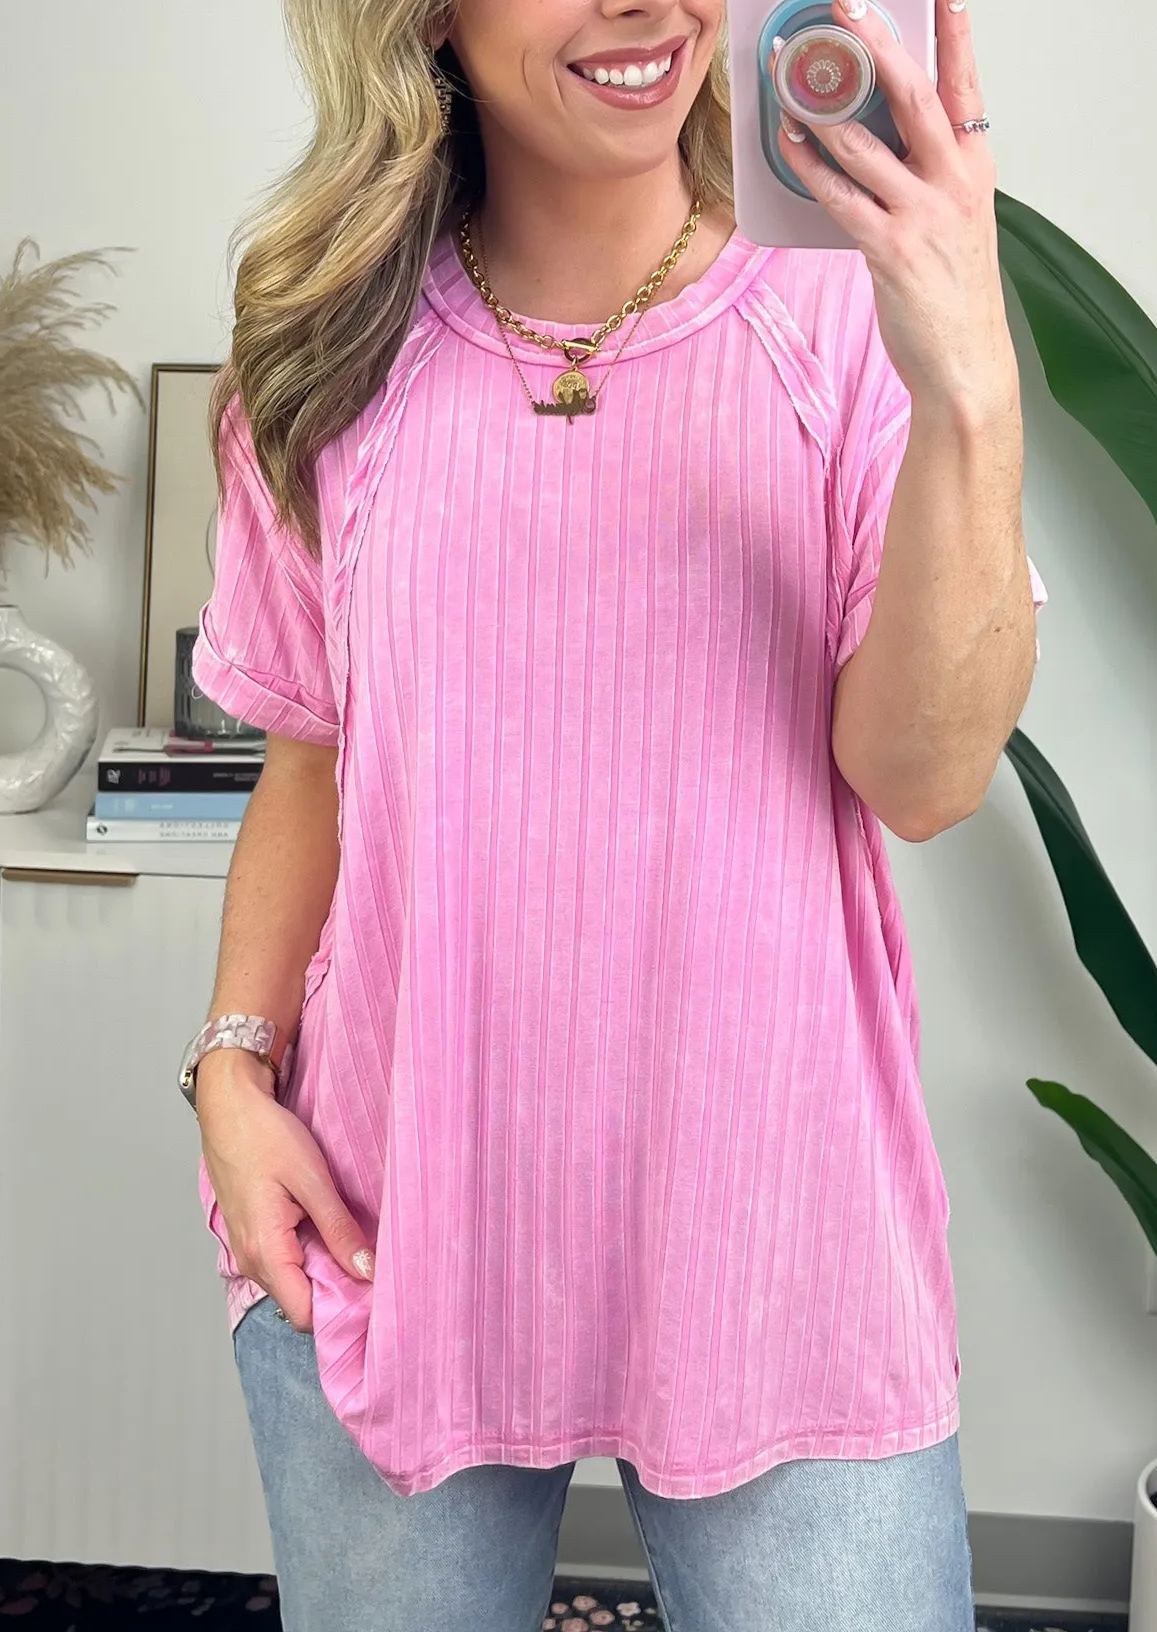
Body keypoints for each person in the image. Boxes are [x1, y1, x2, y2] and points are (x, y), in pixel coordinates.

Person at [184, 0, 1047, 1625]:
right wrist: (229, 1070)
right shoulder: (321, 354)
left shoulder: (838, 319)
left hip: (773, 1240)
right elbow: (312, 755)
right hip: (389, 1224)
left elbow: (923, 779)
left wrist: (971, 391)